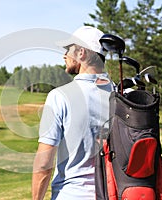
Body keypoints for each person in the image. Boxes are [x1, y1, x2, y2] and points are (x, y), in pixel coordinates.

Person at [32, 26, 114, 200]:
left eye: (68, 49)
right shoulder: (121, 95)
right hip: (112, 194)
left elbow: (44, 164)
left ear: (81, 53)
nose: (64, 55)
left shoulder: (59, 97)